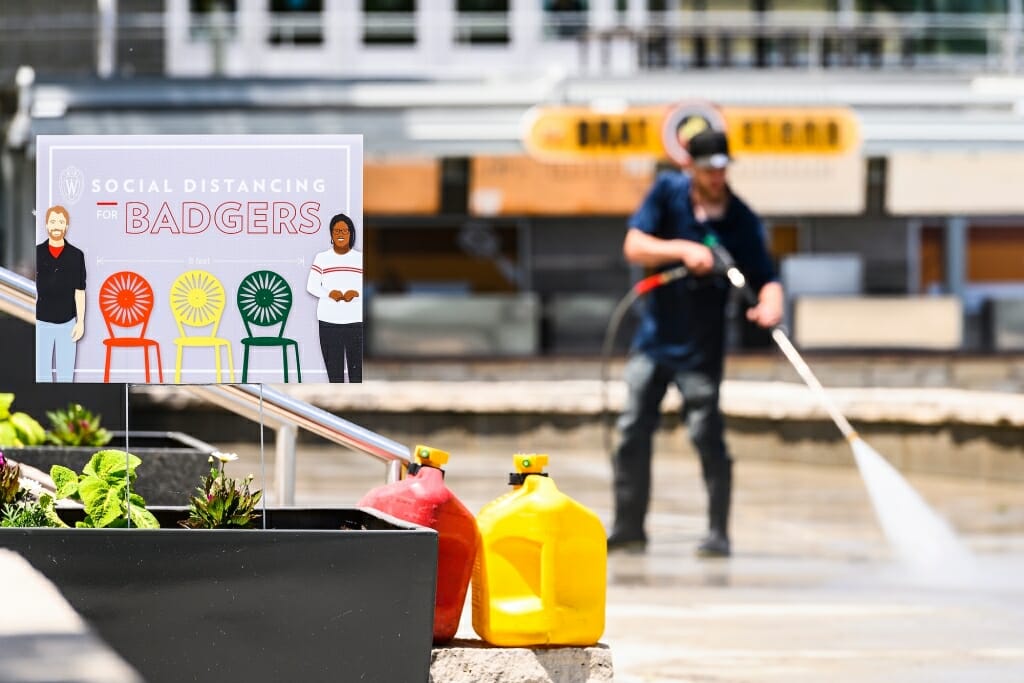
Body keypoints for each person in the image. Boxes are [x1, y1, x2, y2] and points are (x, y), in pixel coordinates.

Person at [607, 129, 784, 558]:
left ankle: (718, 533)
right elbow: (635, 244)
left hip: (702, 350)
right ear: (691, 166)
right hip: (654, 341)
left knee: (707, 434)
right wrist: (684, 250)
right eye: (708, 169)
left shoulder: (741, 218)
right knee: (632, 430)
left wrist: (771, 304)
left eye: (723, 169)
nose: (716, 177)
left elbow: (767, 278)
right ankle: (630, 527)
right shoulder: (667, 193)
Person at [307, 212, 363, 383]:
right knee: (335, 375)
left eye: (344, 231)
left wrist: (355, 292)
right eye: (336, 231)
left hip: (356, 322)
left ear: (351, 234)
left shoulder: (359, 259)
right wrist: (329, 293)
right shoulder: (322, 258)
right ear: (331, 234)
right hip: (329, 323)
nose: (340, 234)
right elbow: (312, 286)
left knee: (357, 374)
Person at [35, 205, 86, 383]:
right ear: (47, 225)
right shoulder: (37, 253)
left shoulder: (76, 255)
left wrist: (80, 322)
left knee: (66, 374)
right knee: (42, 373)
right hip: (42, 320)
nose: (57, 225)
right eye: (53, 221)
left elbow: (80, 290)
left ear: (66, 226)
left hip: (68, 321)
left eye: (61, 222)